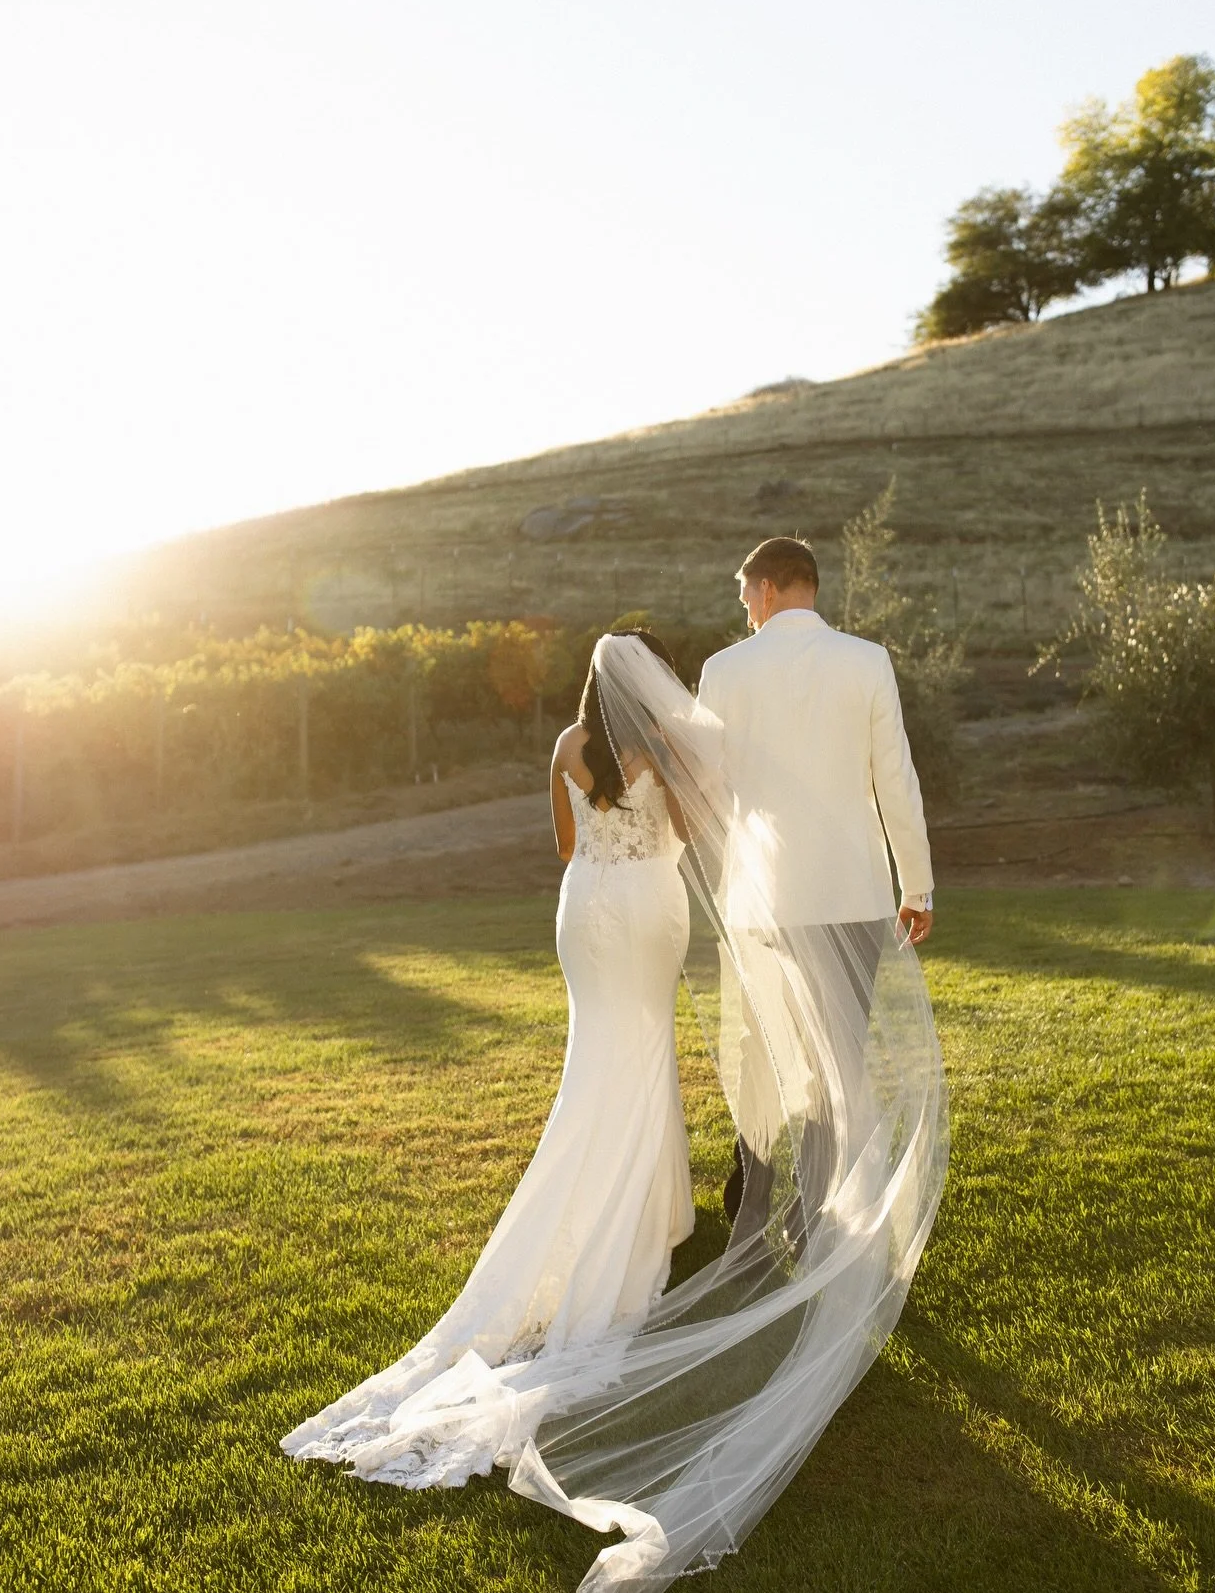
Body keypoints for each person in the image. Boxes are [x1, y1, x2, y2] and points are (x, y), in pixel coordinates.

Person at [280, 628, 696, 1485]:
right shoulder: (663, 745)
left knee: (598, 1057)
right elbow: (686, 834)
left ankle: (625, 1198)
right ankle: (646, 1211)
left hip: (585, 911)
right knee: (646, 1045)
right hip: (652, 907)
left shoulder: (566, 746)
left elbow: (565, 848)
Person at [696, 535, 934, 1241]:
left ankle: (754, 1210)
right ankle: (814, 1213)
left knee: (758, 1052)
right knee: (838, 1056)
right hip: (851, 893)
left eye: (745, 599)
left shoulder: (724, 671)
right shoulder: (867, 662)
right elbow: (896, 779)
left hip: (763, 896)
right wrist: (915, 886)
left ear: (768, 589)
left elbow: (710, 788)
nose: (745, 614)